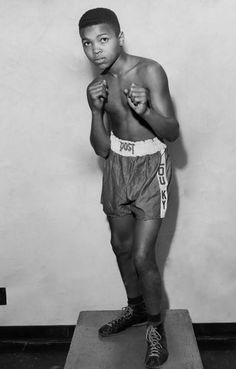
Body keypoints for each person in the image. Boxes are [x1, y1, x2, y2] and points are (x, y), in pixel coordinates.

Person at [78, 7, 179, 369]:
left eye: (103, 40)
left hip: (152, 168)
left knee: (142, 256)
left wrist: (146, 111)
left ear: (120, 37)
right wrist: (93, 110)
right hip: (117, 166)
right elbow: (102, 149)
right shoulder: (99, 84)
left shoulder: (149, 71)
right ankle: (136, 309)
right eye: (88, 44)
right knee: (119, 246)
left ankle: (156, 328)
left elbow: (171, 132)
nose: (96, 50)